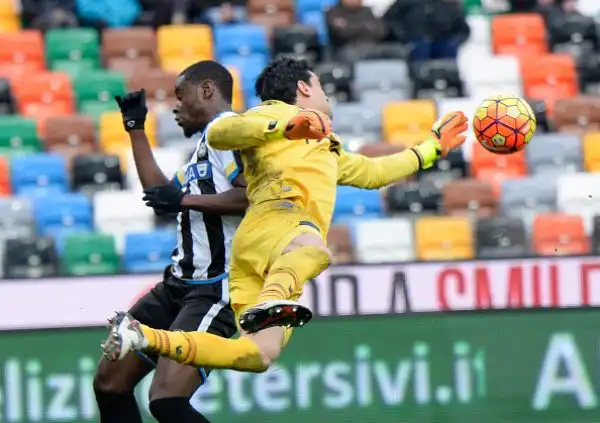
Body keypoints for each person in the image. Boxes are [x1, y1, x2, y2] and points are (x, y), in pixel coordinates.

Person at [101, 57, 468, 375]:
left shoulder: (326, 146)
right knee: (316, 248)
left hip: (255, 257)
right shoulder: (272, 116)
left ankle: (144, 336)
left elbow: (374, 172)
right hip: (278, 223)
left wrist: (432, 148)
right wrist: (288, 126)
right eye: (321, 86)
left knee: (259, 354)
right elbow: (224, 131)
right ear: (303, 88)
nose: (326, 96)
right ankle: (273, 300)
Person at [93, 60, 247, 423]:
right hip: (177, 286)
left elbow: (249, 197)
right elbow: (161, 195)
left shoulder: (230, 133)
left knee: (166, 399)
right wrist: (135, 129)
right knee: (110, 382)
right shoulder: (201, 151)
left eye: (182, 96)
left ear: (207, 90)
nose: (176, 107)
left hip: (216, 289)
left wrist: (182, 200)